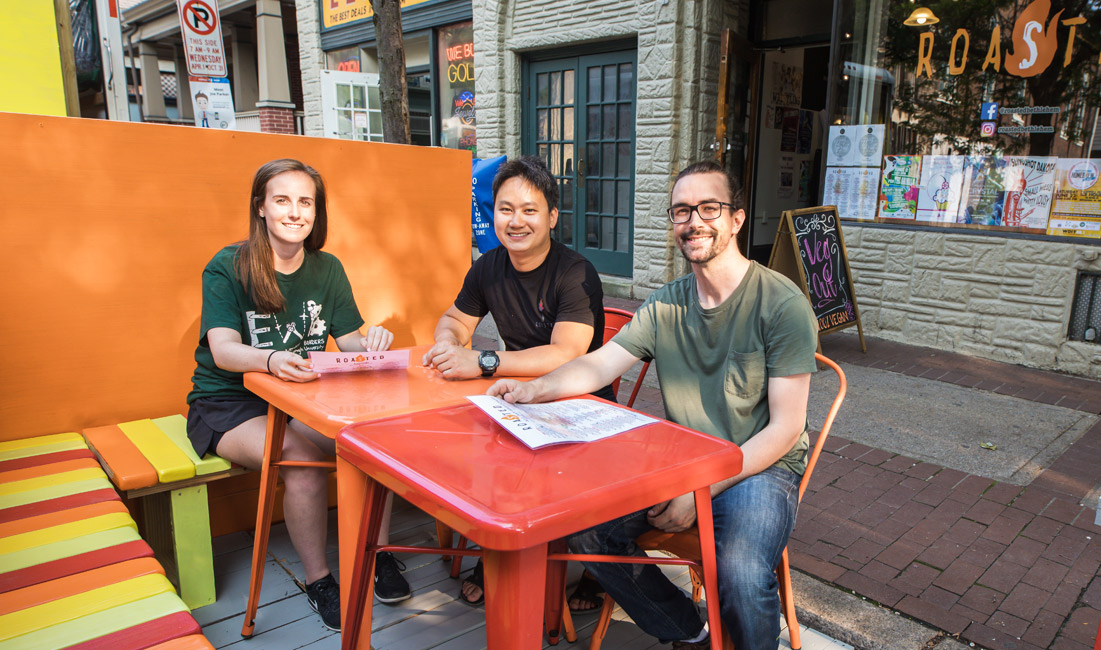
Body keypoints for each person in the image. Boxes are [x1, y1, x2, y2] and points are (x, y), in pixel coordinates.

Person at [487, 161, 818, 649]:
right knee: (589, 532)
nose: (694, 221)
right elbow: (599, 365)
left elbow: (785, 429)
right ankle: (692, 632)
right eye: (682, 210)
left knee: (742, 573)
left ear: (737, 219)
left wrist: (701, 490)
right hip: (685, 459)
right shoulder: (668, 303)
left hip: (761, 467)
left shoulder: (781, 303)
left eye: (709, 208)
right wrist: (532, 389)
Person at [185, 159, 409, 632]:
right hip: (230, 401)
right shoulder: (227, 266)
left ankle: (381, 554)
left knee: (377, 444)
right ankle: (320, 580)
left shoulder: (327, 268)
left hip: (302, 396)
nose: (294, 212)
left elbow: (348, 339)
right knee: (302, 460)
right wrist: (270, 361)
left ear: (316, 211)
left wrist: (373, 340)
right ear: (260, 208)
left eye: (304, 201)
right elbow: (223, 351)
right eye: (281, 200)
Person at [420, 155, 613, 607]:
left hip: (581, 404)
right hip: (518, 398)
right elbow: (454, 318)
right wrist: (449, 342)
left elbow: (566, 354)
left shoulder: (575, 272)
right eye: (506, 209)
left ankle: (597, 568)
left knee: (504, 457)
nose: (516, 220)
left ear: (552, 217)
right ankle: (499, 550)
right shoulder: (489, 266)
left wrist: (484, 361)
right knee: (462, 446)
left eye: (529, 210)